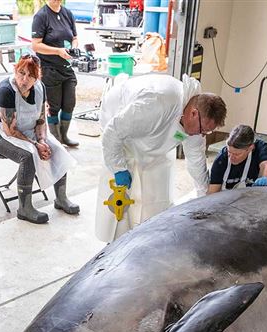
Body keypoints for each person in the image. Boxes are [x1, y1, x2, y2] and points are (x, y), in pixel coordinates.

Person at [95, 73, 226, 242]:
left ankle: (146, 239)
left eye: (206, 132)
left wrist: (204, 198)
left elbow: (196, 160)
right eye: (203, 130)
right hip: (120, 126)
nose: (202, 134)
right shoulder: (156, 104)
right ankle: (114, 244)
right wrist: (118, 168)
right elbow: (112, 133)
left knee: (154, 198)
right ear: (193, 113)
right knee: (121, 202)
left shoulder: (196, 120)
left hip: (153, 139)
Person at [0, 55, 79, 224]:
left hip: (29, 132)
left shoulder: (40, 88)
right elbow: (10, 130)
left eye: (30, 75)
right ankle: (24, 208)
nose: (24, 79)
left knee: (58, 148)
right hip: (1, 136)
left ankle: (61, 199)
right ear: (15, 70)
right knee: (27, 156)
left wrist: (43, 140)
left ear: (37, 77)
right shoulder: (6, 90)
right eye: (21, 73)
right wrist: (36, 145)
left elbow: (41, 119)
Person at [31, 0, 81, 147]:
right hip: (49, 69)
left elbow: (75, 38)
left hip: (66, 67)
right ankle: (56, 140)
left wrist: (73, 47)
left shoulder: (67, 13)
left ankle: (64, 136)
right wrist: (57, 51)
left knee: (69, 103)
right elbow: (35, 45)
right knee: (54, 107)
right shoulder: (41, 16)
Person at [207, 125, 267, 193]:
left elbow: (266, 166)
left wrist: (265, 177)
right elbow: (212, 191)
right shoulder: (221, 159)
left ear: (250, 148)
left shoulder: (260, 148)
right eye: (229, 152)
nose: (231, 157)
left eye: (237, 154)